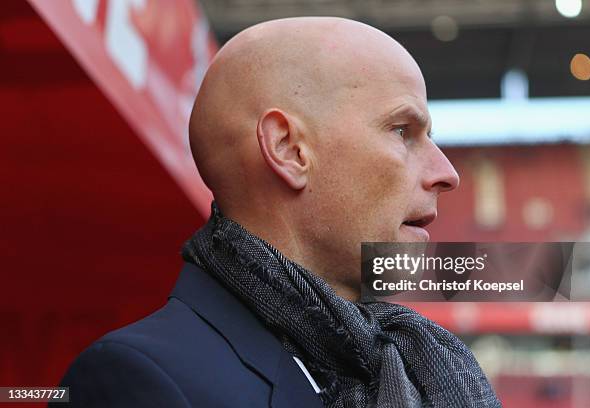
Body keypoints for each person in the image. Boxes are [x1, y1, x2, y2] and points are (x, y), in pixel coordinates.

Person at [56, 17, 501, 407]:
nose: (447, 173)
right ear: (289, 150)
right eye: (403, 130)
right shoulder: (140, 381)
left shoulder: (414, 362)